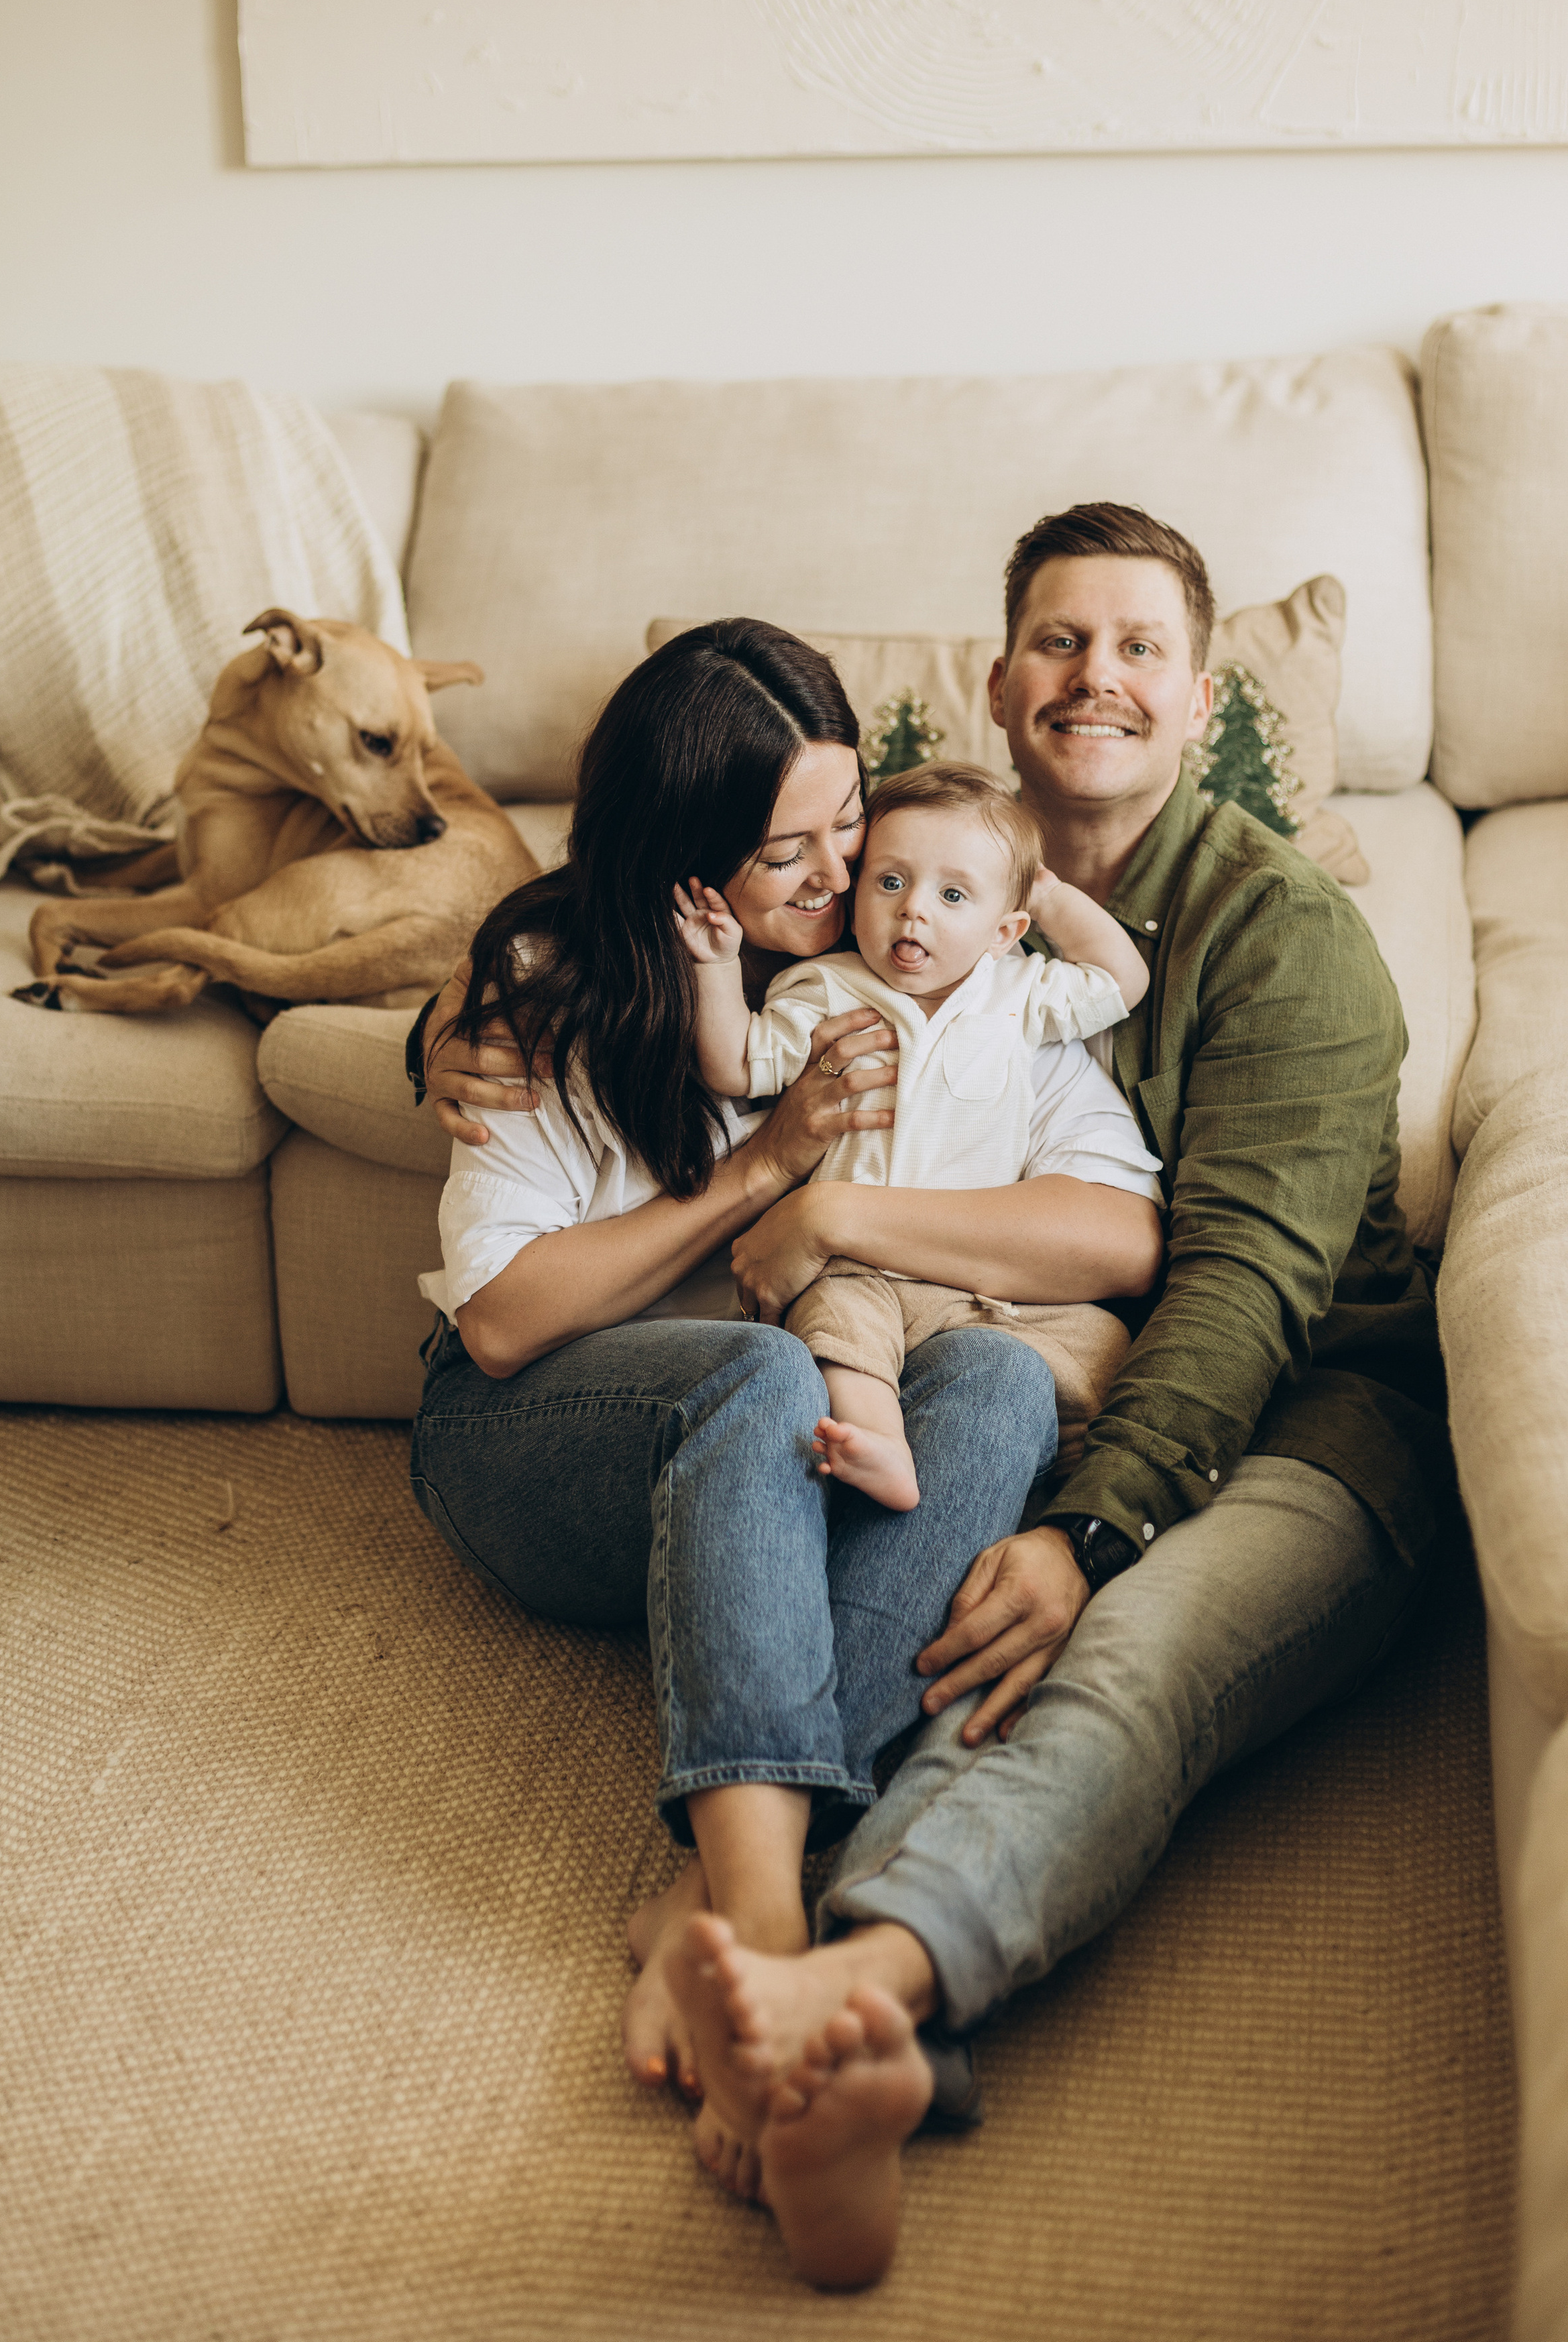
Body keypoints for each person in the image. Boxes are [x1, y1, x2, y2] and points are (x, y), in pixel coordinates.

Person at [426, 506, 1454, 2294]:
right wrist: (446, 1028)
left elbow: (1222, 1276)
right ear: (993, 683)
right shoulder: (869, 901)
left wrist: (1088, 1522)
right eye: (1061, 641)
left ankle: (833, 1984)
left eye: (1141, 647)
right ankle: (787, 1919)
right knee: (864, 1423)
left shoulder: (1237, 938)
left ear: (1206, 696)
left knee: (1060, 1590)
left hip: (1269, 1403)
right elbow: (611, 991)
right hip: (786, 1372)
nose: (1097, 680)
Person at [408, 617, 1164, 2267]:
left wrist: (847, 1194)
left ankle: (733, 1913)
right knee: (751, 1374)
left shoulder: (917, 980)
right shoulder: (547, 995)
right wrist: (764, 1176)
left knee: (996, 1385)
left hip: (772, 1477)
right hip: (544, 1441)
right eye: (791, 851)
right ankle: (767, 1926)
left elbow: (1108, 1228)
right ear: (688, 865)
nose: (845, 877)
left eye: (852, 830)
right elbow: (503, 1325)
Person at [675, 761, 1150, 1510]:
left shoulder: (1019, 995)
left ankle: (1067, 1458)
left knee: (1101, 1345)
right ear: (856, 895)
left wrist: (1051, 895)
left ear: (1004, 930)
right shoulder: (825, 990)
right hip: (857, 1268)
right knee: (830, 1324)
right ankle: (879, 1444)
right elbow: (737, 1061)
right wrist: (716, 966)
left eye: (952, 895)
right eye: (890, 883)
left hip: (981, 1279)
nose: (913, 912)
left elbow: (1122, 978)